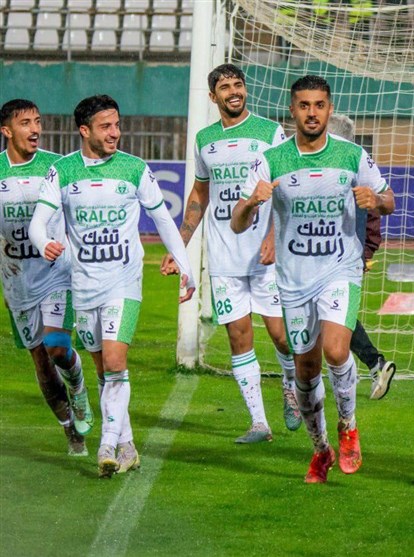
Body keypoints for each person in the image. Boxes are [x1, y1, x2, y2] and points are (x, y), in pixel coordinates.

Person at [231, 75, 395, 483]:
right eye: (304, 105)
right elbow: (237, 223)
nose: (311, 113)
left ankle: (348, 426)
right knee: (306, 371)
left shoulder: (352, 155)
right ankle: (320, 448)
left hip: (340, 269)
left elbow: (389, 200)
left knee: (337, 351)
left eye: (319, 105)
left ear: (329, 109)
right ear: (292, 110)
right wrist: (252, 202)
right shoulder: (270, 160)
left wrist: (375, 200)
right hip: (293, 280)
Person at [28, 95, 196, 478]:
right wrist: (43, 242)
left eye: (117, 125)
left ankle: (106, 444)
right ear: (84, 130)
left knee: (117, 363)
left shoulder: (135, 169)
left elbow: (164, 220)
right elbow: (38, 222)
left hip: (124, 281)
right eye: (106, 126)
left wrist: (185, 267)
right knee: (105, 371)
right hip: (83, 285)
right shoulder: (62, 171)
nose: (115, 133)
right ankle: (127, 446)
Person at [161, 63, 302, 442]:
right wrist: (179, 245)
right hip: (224, 258)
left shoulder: (269, 132)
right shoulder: (205, 139)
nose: (234, 91)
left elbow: (285, 188)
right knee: (239, 338)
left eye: (238, 84)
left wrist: (273, 235)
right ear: (213, 96)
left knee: (282, 336)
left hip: (265, 256)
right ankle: (259, 423)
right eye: (225, 87)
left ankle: (291, 386)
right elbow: (199, 194)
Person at [0, 99, 92, 456]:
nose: (35, 129)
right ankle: (70, 428)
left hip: (57, 274)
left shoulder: (56, 167)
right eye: (25, 123)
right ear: (7, 131)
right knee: (40, 360)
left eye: (37, 121)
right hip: (17, 281)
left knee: (56, 347)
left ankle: (79, 390)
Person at [327, 113, 396, 400]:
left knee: (331, 317)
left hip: (341, 259)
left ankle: (368, 364)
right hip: (331, 257)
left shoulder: (354, 171)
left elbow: (377, 211)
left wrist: (364, 254)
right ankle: (372, 364)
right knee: (335, 315)